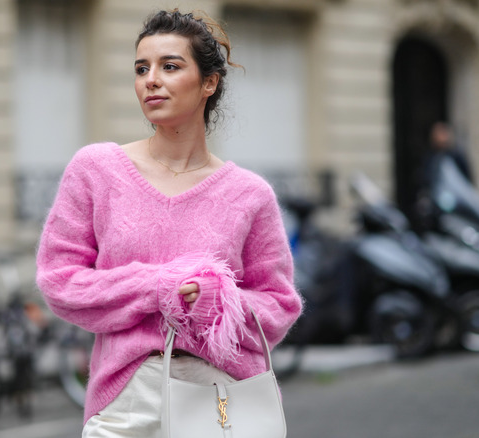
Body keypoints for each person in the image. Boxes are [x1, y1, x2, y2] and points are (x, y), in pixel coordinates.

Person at [35, 9, 302, 437]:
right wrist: (158, 288)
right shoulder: (96, 170)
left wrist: (221, 301)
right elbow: (60, 280)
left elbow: (279, 305)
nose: (150, 80)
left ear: (208, 83)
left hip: (222, 400)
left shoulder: (249, 194)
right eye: (142, 69)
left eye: (170, 66)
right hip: (127, 399)